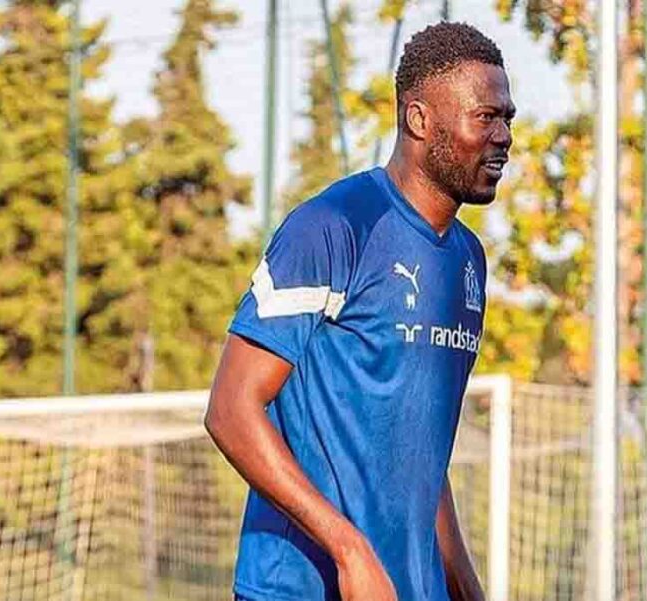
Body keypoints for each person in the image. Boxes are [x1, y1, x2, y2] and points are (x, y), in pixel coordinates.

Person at [205, 21, 515, 601]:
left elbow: (423, 452)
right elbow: (230, 408)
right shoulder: (333, 226)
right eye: (485, 117)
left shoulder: (469, 261)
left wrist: (466, 587)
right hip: (299, 588)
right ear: (419, 120)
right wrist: (348, 550)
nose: (503, 137)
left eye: (508, 119)